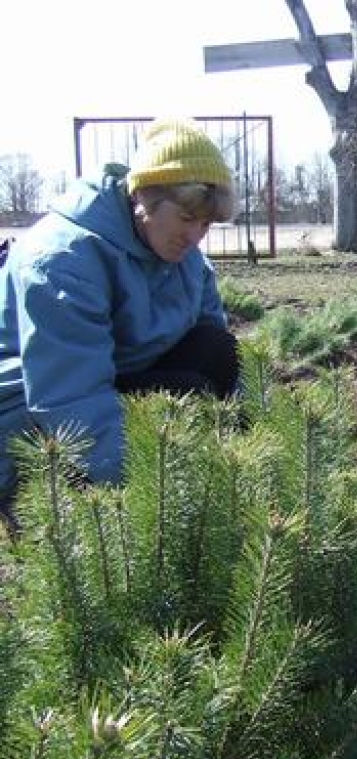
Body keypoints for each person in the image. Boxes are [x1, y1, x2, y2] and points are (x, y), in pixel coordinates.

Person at [0, 117, 240, 515]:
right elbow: (69, 397)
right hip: (29, 420)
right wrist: (159, 493)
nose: (196, 236)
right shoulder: (63, 262)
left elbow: (226, 362)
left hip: (109, 390)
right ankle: (77, 508)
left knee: (214, 352)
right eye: (185, 218)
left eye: (206, 224)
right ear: (144, 197)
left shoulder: (186, 260)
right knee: (187, 390)